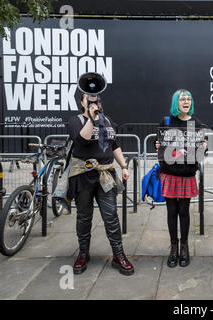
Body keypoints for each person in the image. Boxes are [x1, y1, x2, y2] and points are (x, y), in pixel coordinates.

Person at [68, 93, 134, 276]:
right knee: (84, 217)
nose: (93, 102)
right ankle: (83, 253)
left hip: (105, 174)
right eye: (88, 99)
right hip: (83, 175)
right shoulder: (76, 120)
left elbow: (114, 145)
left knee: (111, 214)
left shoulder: (108, 120)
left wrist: (123, 166)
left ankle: (118, 255)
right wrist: (91, 118)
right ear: (81, 102)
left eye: (96, 99)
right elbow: (82, 140)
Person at [155, 89, 207, 268]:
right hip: (169, 173)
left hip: (186, 174)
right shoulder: (167, 121)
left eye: (189, 99)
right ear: (176, 102)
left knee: (184, 212)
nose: (186, 101)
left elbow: (200, 151)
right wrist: (157, 145)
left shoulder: (197, 123)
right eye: (182, 99)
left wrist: (204, 147)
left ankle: (184, 247)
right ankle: (173, 247)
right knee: (171, 211)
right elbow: (159, 145)